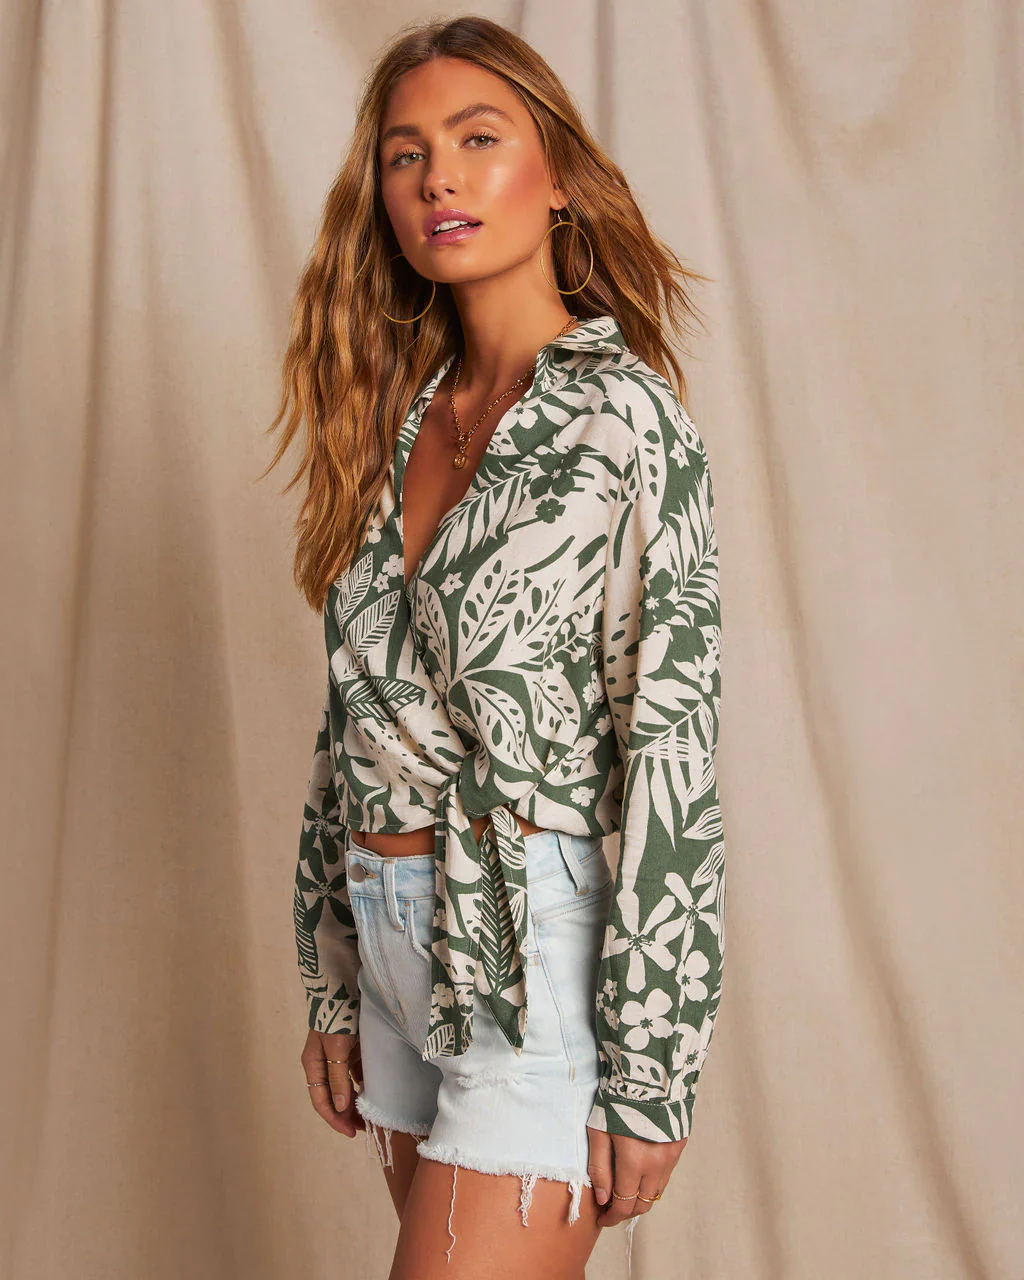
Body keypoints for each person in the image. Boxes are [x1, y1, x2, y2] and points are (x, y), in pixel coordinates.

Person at [264, 15, 726, 1279]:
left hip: (530, 945)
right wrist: (331, 975)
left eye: (479, 139)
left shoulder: (622, 421)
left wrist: (652, 1063)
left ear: (557, 174)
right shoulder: (391, 415)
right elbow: (352, 722)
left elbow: (671, 742)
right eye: (406, 154)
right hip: (390, 938)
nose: (439, 179)